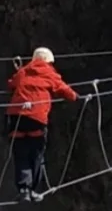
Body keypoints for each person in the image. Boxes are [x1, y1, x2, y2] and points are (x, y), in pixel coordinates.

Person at [6, 47, 79, 202]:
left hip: (17, 118)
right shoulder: (50, 73)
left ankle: (24, 190)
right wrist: (75, 96)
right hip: (36, 119)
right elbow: (65, 90)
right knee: (36, 154)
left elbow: (11, 84)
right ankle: (32, 190)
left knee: (21, 153)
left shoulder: (23, 71)